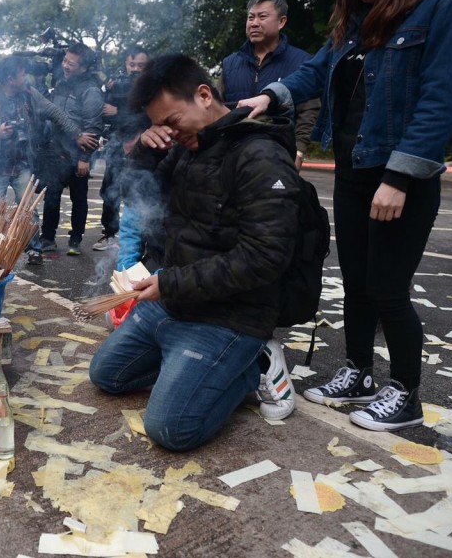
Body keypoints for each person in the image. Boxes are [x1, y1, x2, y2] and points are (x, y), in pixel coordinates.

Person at [240, 0, 452, 431]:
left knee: (389, 287)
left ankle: (407, 392)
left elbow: (439, 102)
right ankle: (359, 371)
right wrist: (269, 97)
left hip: (399, 175)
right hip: (353, 168)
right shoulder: (359, 22)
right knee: (355, 283)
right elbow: (314, 71)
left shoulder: (447, 7)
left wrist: (399, 177)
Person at [88, 54, 301, 451]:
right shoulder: (187, 146)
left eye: (170, 121)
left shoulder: (260, 155)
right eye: (158, 125)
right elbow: (138, 204)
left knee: (171, 429)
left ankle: (253, 367)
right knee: (106, 376)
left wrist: (169, 282)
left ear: (204, 95)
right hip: (174, 300)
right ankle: (191, 366)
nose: (168, 132)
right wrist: (146, 154)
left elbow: (264, 258)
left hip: (228, 314)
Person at [0, 55, 98, 265]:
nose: (26, 77)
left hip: (22, 163)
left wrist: (77, 134)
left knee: (28, 208)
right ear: (10, 78)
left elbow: (56, 113)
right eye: (22, 74)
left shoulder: (30, 94)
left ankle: (33, 249)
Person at [220, 0, 320, 171]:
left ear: (281, 22)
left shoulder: (302, 62)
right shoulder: (230, 63)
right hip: (232, 155)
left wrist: (299, 152)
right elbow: (219, 108)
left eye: (262, 17)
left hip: (277, 156)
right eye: (251, 18)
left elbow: (308, 112)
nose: (254, 23)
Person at [38, 43, 104, 256]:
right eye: (65, 60)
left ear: (84, 67)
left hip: (77, 156)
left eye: (71, 63)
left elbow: (93, 127)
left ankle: (75, 239)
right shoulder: (61, 84)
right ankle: (47, 238)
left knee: (79, 198)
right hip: (56, 152)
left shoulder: (91, 91)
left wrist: (85, 158)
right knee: (52, 196)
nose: (65, 65)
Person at [93, 45, 149, 252]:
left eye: (140, 66)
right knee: (110, 188)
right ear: (126, 63)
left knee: (140, 188)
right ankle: (109, 233)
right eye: (132, 64)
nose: (135, 69)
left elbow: (150, 115)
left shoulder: (151, 87)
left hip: (143, 142)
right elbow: (105, 111)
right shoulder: (116, 84)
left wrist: (119, 111)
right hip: (117, 141)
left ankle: (144, 235)